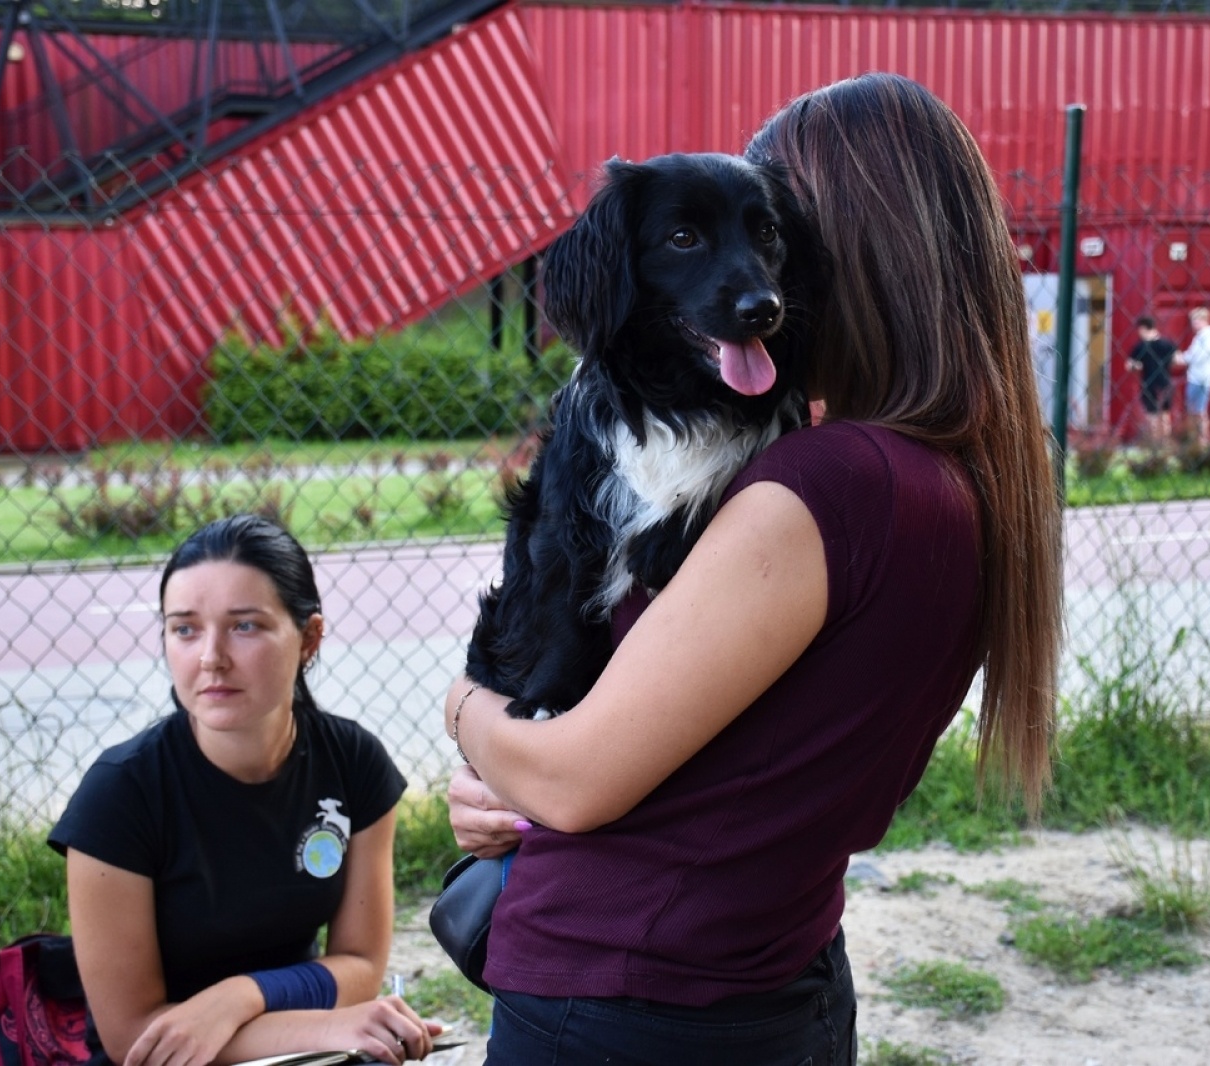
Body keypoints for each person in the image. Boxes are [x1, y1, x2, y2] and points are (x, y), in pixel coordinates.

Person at [441, 72, 1062, 1065]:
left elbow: (573, 782)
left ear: (849, 255)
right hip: (782, 974)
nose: (759, 278)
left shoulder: (822, 486)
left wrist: (464, 713)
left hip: (632, 998)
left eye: (777, 232)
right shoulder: (955, 485)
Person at [48, 514, 441, 1066]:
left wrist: (237, 998)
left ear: (309, 638)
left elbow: (359, 964)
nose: (210, 656)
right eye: (184, 628)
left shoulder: (354, 764)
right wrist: (320, 1028)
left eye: (245, 626)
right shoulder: (119, 796)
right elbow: (136, 1039)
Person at [1174, 306, 1210, 444]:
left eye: (1195, 321)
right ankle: (1197, 438)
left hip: (1201, 378)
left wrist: (1181, 359)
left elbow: (1198, 356)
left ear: (1204, 320)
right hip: (1198, 376)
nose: (1193, 324)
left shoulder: (1208, 338)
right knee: (1196, 410)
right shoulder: (1202, 337)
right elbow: (1193, 354)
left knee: (1199, 411)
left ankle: (1202, 439)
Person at [1125, 315, 1178, 442]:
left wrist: (1137, 365)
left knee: (1152, 414)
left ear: (1143, 329)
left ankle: (1155, 442)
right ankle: (1165, 440)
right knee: (1165, 413)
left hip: (1148, 383)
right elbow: (1177, 360)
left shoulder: (1140, 346)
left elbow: (1129, 365)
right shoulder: (1167, 344)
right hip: (1165, 382)